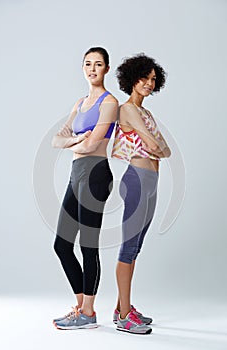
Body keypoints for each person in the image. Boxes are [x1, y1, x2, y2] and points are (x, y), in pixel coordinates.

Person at [52, 47, 118, 330]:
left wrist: (74, 142)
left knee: (87, 245)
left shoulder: (109, 103)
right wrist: (76, 139)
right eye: (88, 64)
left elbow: (93, 146)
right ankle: (82, 307)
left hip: (96, 175)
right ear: (83, 68)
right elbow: (56, 139)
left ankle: (89, 313)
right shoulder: (80, 103)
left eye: (98, 64)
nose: (92, 69)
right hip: (76, 173)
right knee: (62, 244)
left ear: (106, 69)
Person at [111, 53, 171, 334]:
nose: (148, 83)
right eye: (144, 78)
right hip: (136, 179)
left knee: (136, 246)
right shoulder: (128, 110)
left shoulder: (146, 113)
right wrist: (156, 144)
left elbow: (166, 150)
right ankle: (124, 317)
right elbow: (154, 144)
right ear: (131, 79)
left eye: (152, 79)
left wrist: (157, 145)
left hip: (152, 181)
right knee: (128, 247)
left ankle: (122, 306)